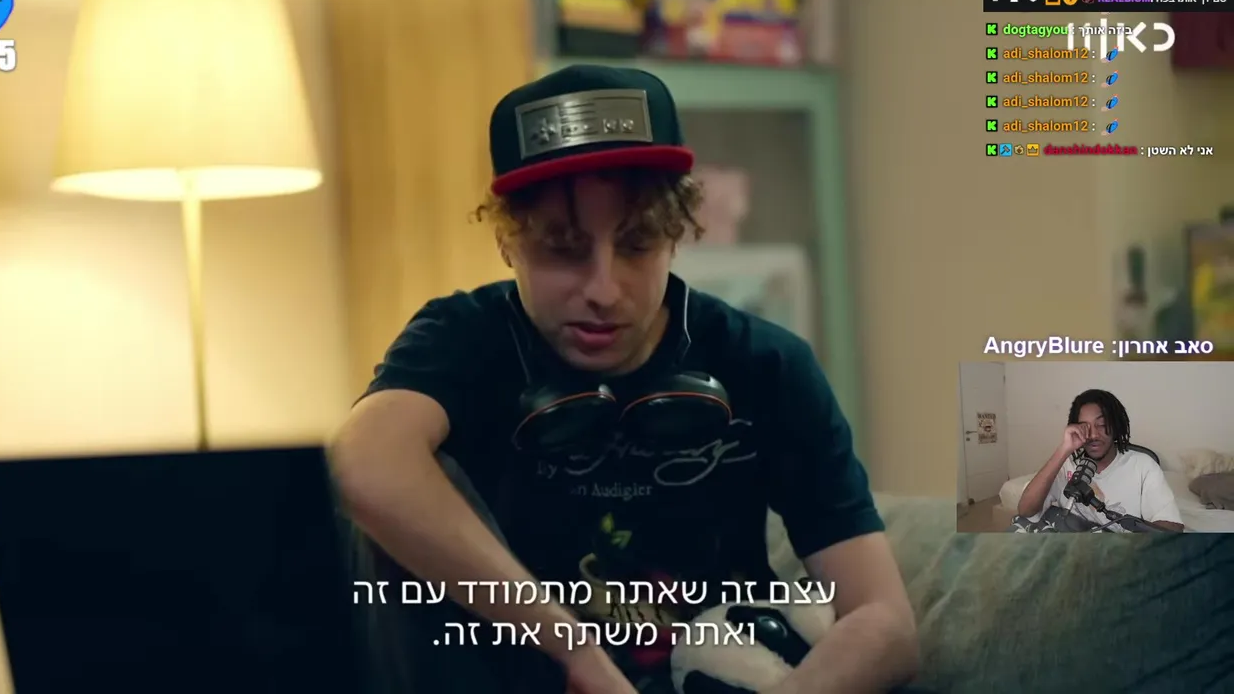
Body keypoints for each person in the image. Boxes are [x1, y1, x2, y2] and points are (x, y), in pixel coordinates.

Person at [331, 64, 920, 693]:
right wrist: (573, 651)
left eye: (637, 245)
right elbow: (365, 463)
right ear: (507, 241)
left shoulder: (765, 363)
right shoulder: (459, 337)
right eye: (563, 248)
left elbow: (883, 620)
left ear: (677, 236)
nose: (604, 291)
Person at [1015, 388, 1184, 532]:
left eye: (1102, 425)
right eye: (1084, 427)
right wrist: (1064, 449)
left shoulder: (1143, 466)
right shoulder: (1066, 465)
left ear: (1115, 426)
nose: (1093, 435)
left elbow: (1172, 528)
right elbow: (1025, 511)